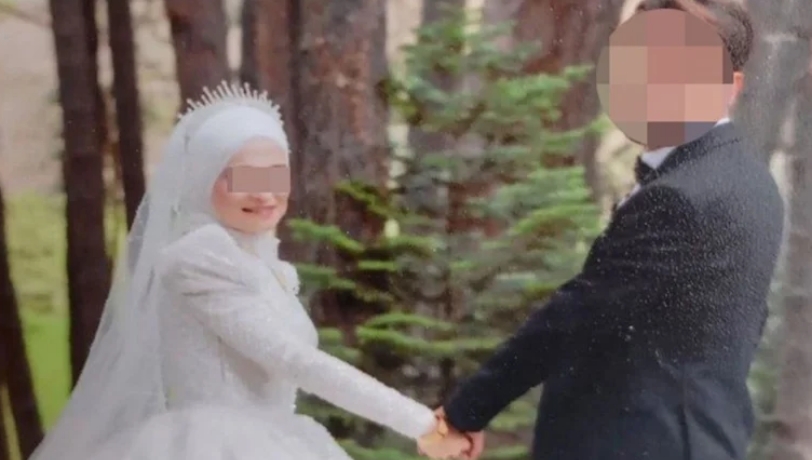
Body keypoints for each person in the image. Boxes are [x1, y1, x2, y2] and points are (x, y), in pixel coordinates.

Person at [27, 82, 470, 460]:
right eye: (242, 178)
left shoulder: (263, 265)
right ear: (203, 178)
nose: (264, 195)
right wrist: (421, 424)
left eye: (275, 177)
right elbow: (293, 359)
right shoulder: (200, 257)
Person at [423, 1, 785, 459]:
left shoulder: (680, 194)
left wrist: (466, 411)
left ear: (730, 86)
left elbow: (579, 315)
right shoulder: (752, 183)